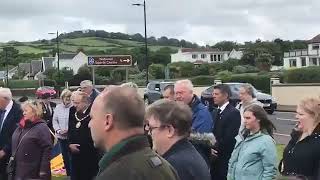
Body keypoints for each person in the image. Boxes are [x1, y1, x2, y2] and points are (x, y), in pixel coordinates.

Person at [89, 86, 179, 180]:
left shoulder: (114, 174)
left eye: (92, 118)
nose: (89, 124)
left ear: (108, 121)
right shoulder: (164, 167)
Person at [145, 99, 211, 180]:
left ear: (170, 130)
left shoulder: (175, 166)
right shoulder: (186, 155)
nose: (148, 133)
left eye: (151, 128)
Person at [228, 105, 277, 180]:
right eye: (244, 118)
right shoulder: (242, 136)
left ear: (258, 119)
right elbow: (233, 160)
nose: (244, 121)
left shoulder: (266, 141)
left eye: (248, 118)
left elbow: (270, 171)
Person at [10, 101, 52, 180]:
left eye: (26, 111)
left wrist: (43, 170)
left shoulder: (41, 127)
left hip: (33, 172)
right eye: (23, 111)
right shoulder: (20, 127)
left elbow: (47, 149)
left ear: (34, 112)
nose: (23, 113)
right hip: (19, 171)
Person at [280, 97, 320, 179]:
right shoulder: (296, 135)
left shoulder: (317, 141)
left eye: (301, 114)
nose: (296, 116)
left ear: (314, 116)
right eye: (296, 113)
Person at [211, 84, 241, 180]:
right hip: (213, 158)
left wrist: (216, 148)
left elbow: (229, 137)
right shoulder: (215, 112)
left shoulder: (233, 113)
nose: (213, 96)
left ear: (225, 95)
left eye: (216, 94)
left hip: (225, 158)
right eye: (213, 94)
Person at [68, 91, 99, 180]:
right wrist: (69, 144)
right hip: (74, 155)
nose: (74, 105)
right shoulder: (72, 110)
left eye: (77, 103)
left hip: (90, 155)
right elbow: (70, 129)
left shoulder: (94, 111)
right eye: (73, 102)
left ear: (86, 102)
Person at [0, 88, 23, 180]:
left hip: (10, 153)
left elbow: (17, 134)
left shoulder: (19, 111)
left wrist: (5, 150)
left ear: (4, 99)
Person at [52, 89, 72, 177]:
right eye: (66, 97)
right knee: (62, 156)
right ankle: (64, 174)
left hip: (70, 136)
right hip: (60, 136)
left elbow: (73, 121)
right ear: (62, 98)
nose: (68, 99)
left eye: (69, 97)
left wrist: (68, 130)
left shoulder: (73, 108)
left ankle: (72, 174)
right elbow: (55, 120)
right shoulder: (58, 107)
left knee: (70, 156)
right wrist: (59, 130)